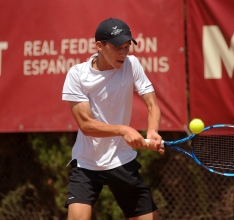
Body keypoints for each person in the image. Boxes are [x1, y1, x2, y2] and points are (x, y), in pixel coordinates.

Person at [62, 17, 164, 220]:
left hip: (121, 159)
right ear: (99, 46)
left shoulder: (132, 65)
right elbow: (86, 125)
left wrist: (152, 130)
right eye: (118, 47)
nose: (124, 53)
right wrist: (123, 130)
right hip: (87, 163)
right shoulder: (77, 75)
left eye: (127, 47)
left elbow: (153, 105)